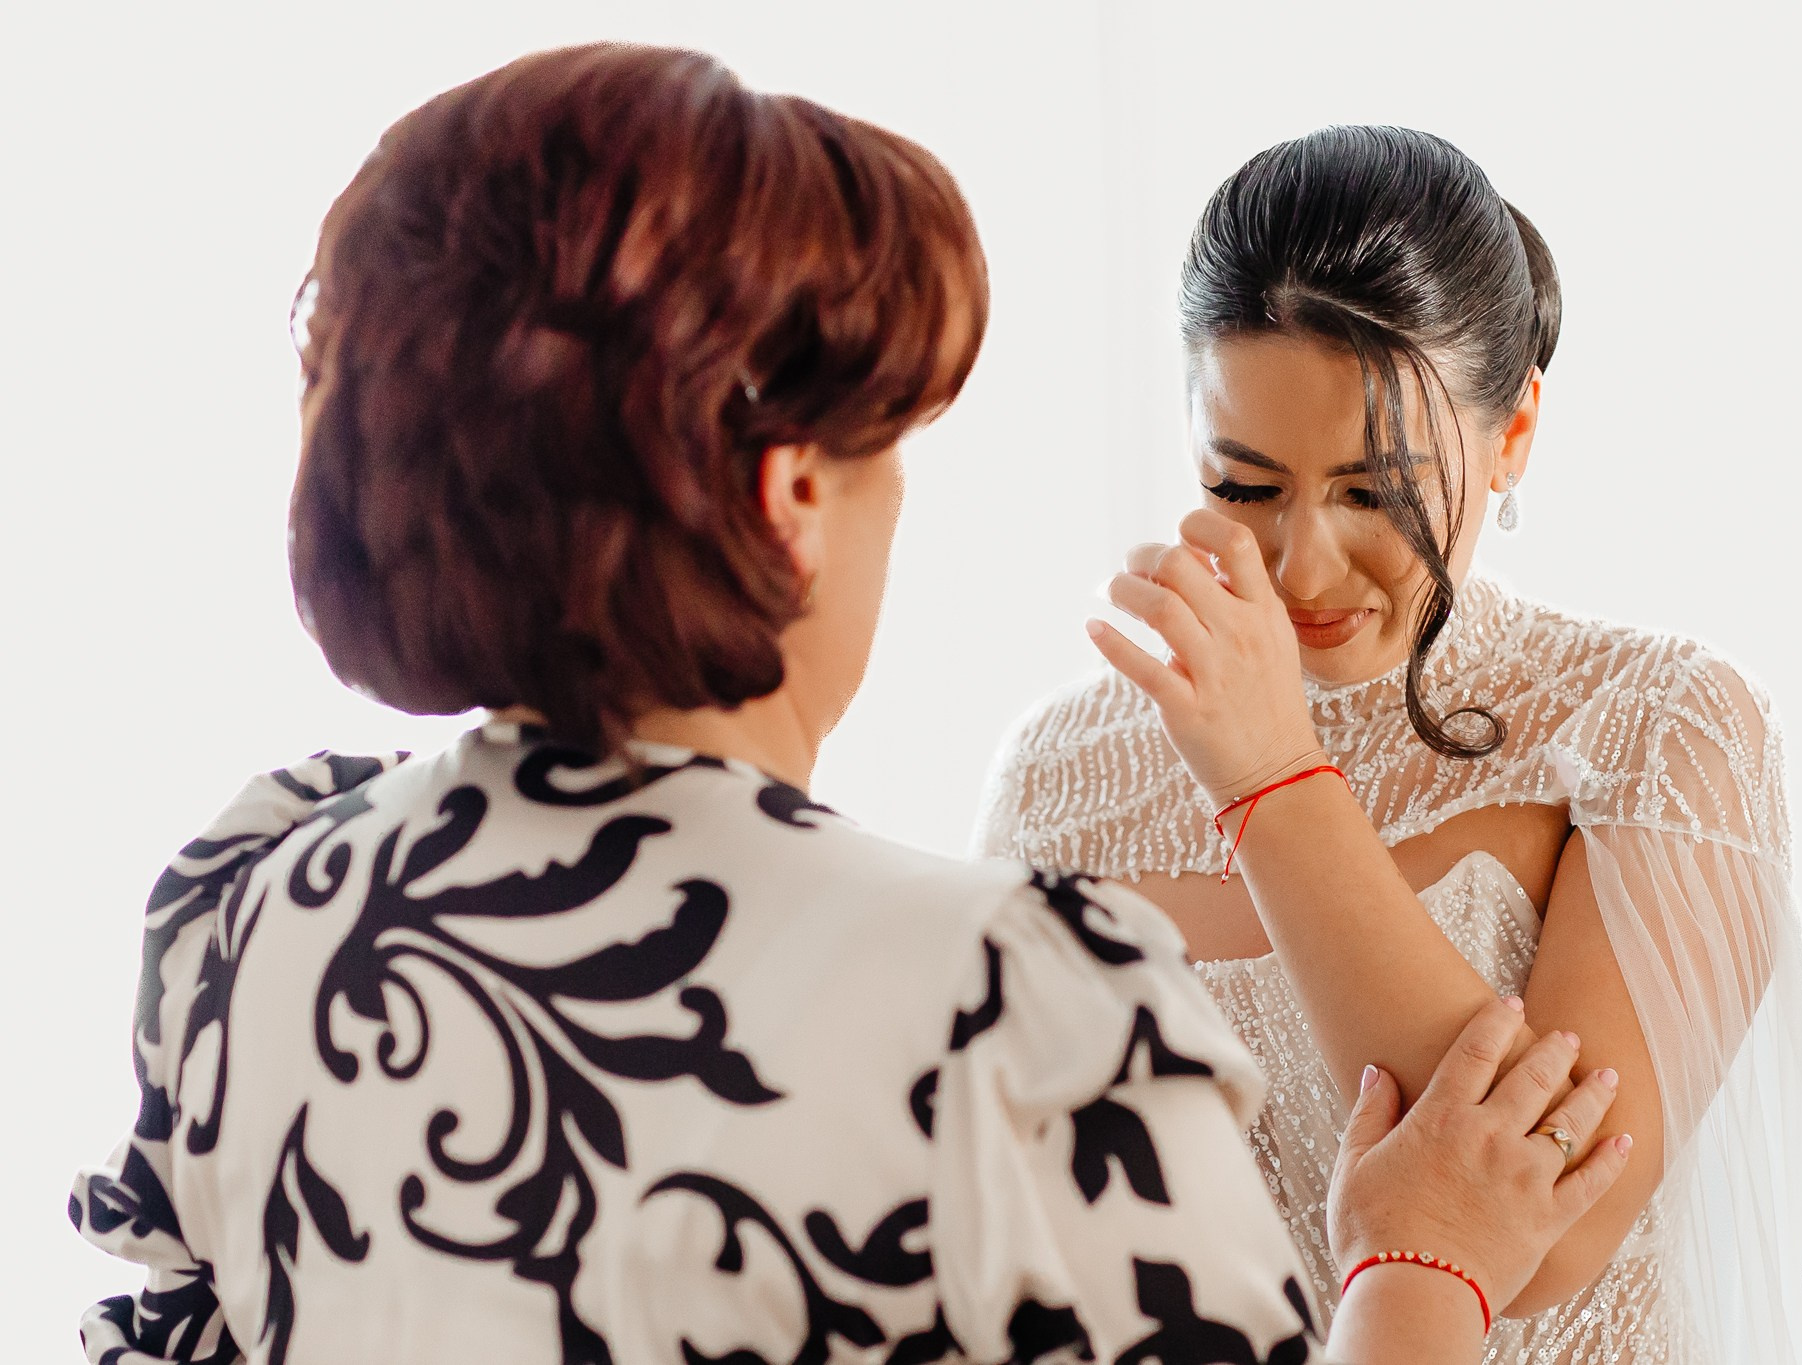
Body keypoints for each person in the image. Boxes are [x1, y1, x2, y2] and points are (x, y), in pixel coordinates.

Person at [66, 47, 1633, 1364]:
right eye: (894, 451)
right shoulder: (1016, 1009)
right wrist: (1418, 1265)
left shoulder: (248, 903)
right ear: (792, 491)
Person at [975, 127, 1802, 1363]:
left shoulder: (1660, 725)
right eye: (1242, 485)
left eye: (1372, 491)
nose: (1301, 564)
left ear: (1511, 434)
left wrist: (1268, 780)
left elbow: (1548, 1239)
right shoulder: (1058, 772)